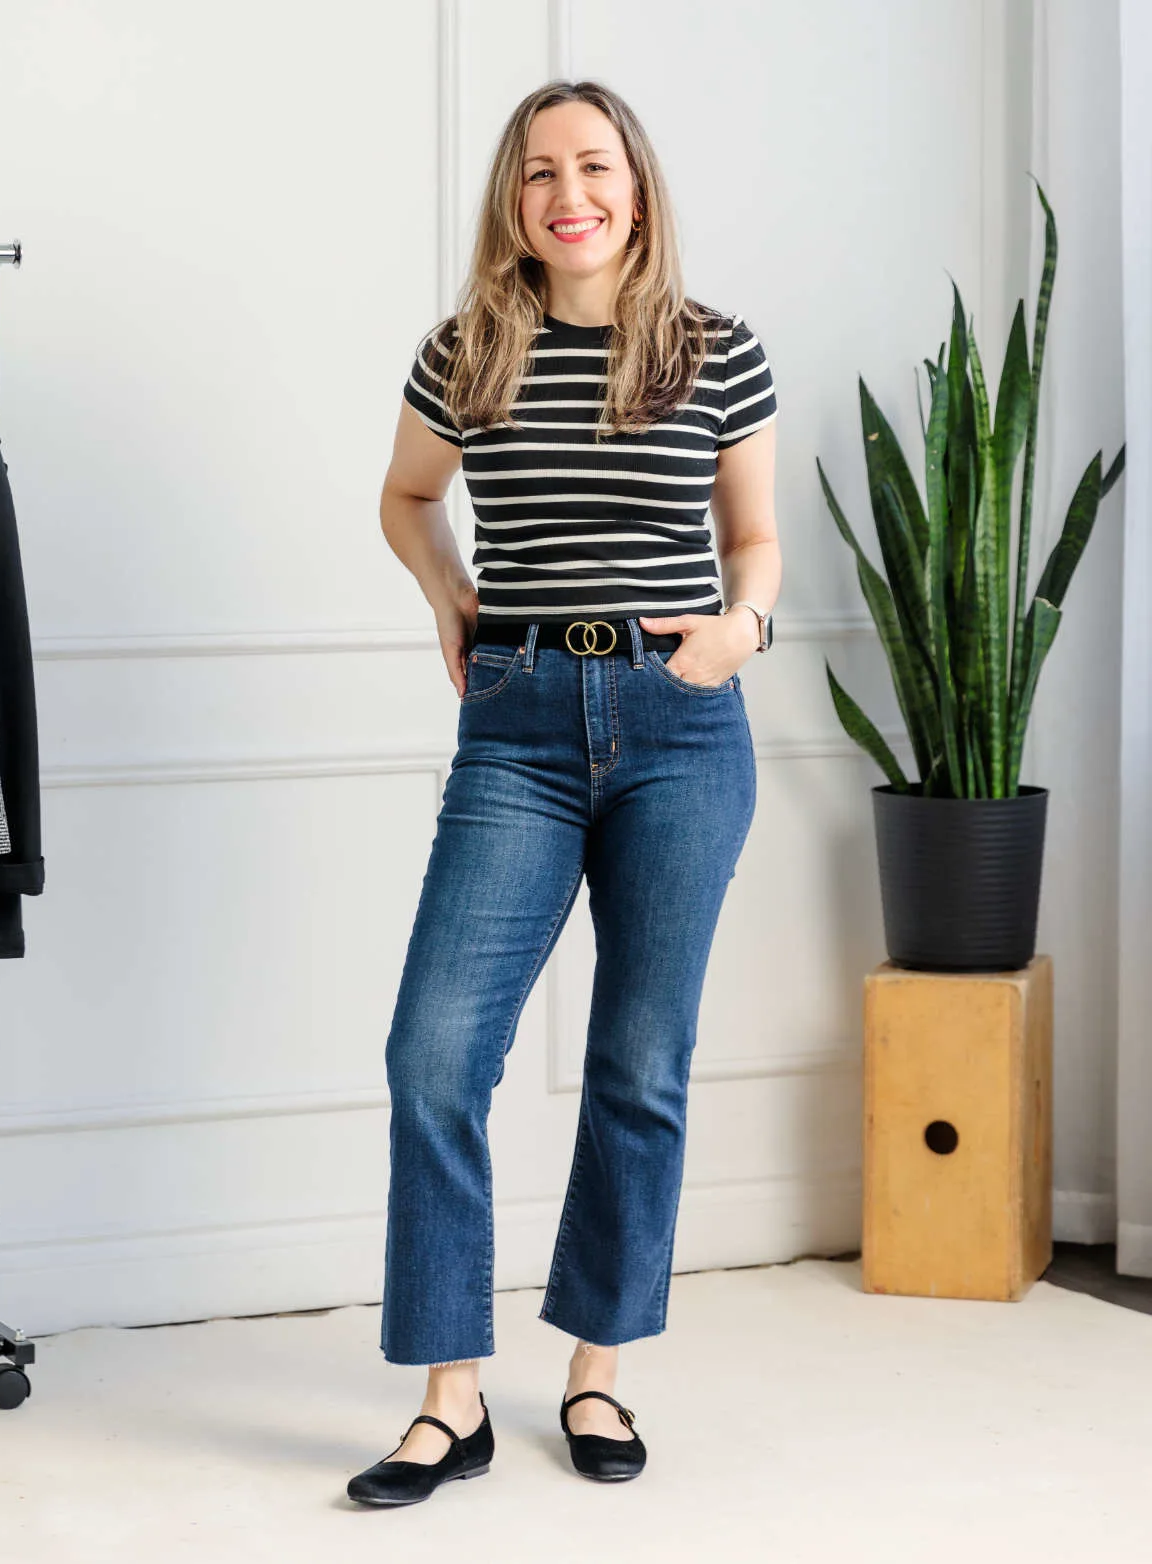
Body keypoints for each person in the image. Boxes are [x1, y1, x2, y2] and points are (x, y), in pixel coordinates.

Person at [346, 77, 779, 1508]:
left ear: (637, 188)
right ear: (512, 201)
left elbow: (754, 537)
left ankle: (597, 1371)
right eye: (539, 172)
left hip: (680, 723)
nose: (567, 192)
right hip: (518, 724)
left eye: (594, 165)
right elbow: (406, 497)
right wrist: (447, 600)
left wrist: (742, 631)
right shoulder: (464, 350)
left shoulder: (718, 351)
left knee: (638, 1065)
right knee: (433, 1054)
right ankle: (450, 1398)